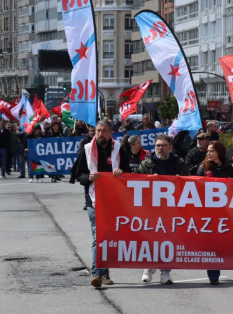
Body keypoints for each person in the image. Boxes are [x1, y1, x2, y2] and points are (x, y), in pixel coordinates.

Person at [72, 119, 130, 288]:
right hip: (93, 200)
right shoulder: (87, 150)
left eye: (103, 131)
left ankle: (104, 273)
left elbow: (129, 173)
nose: (99, 134)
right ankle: (96, 273)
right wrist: (88, 177)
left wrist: (121, 173)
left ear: (111, 132)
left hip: (114, 200)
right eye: (97, 130)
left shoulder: (119, 150)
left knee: (109, 236)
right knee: (99, 236)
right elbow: (78, 175)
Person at [138, 134, 190, 284]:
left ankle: (165, 272)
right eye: (158, 145)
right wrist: (149, 180)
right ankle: (148, 267)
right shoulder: (147, 163)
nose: (160, 148)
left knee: (168, 239)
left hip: (171, 209)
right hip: (151, 209)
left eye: (164, 145)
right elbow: (136, 183)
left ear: (170, 147)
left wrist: (180, 180)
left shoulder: (179, 162)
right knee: (150, 237)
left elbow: (188, 183)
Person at [197, 140, 233, 285]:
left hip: (226, 212)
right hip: (208, 212)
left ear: (219, 152)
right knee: (211, 243)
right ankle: (213, 274)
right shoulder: (203, 167)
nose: (209, 153)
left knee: (224, 242)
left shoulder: (229, 168)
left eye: (212, 150)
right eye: (208, 151)